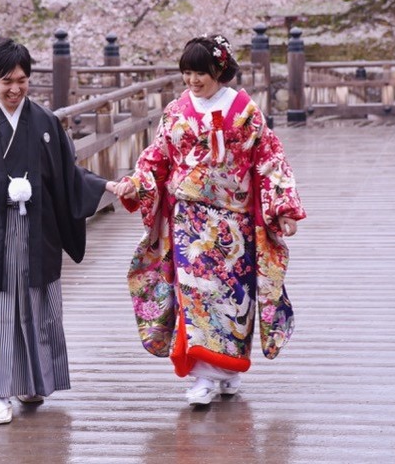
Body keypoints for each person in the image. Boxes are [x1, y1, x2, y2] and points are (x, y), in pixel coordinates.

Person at [0, 38, 123, 424]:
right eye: (6, 81)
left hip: (37, 230)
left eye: (22, 80)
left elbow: (68, 174)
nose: (15, 89)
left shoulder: (45, 123)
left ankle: (34, 382)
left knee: (38, 306)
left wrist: (104, 186)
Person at [113, 33, 305, 406]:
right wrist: (137, 182)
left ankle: (229, 369)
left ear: (220, 69)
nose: (193, 81)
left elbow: (269, 159)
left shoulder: (246, 112)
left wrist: (282, 208)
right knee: (195, 295)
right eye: (187, 73)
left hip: (235, 222)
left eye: (200, 73)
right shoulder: (176, 112)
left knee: (235, 298)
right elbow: (157, 157)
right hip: (189, 219)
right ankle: (201, 377)